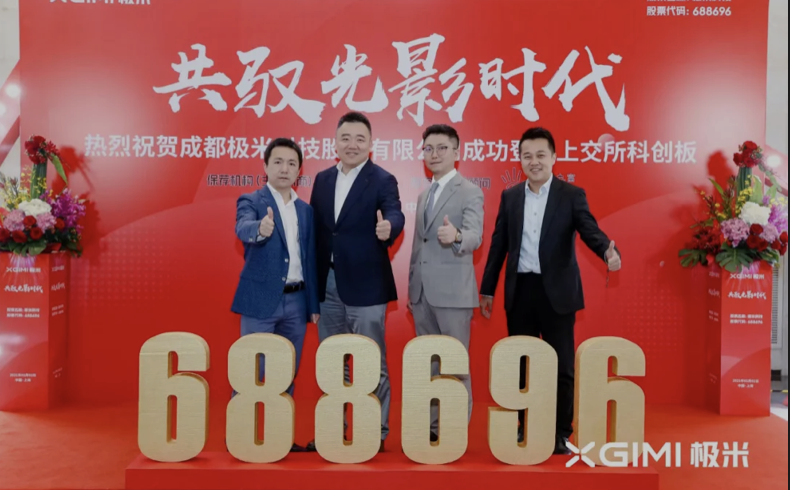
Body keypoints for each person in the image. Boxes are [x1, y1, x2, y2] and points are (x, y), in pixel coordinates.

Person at [479, 127, 622, 455]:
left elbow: (589, 230)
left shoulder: (571, 194)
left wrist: (607, 252)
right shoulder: (510, 196)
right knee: (522, 365)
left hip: (557, 293)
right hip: (520, 291)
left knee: (562, 367)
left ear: (554, 157)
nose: (534, 161)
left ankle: (560, 432)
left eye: (541, 155)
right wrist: (487, 289)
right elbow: (499, 245)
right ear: (520, 160)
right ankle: (524, 426)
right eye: (527, 156)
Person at [308, 111, 405, 452]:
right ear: (335, 142)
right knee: (332, 363)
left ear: (370, 144)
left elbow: (395, 211)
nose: (352, 145)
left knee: (370, 362)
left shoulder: (382, 179)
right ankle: (334, 429)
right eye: (346, 138)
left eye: (360, 139)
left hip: (367, 284)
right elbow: (317, 233)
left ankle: (374, 432)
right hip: (328, 285)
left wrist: (389, 227)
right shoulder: (322, 179)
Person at [231, 138, 320, 453]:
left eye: (292, 163)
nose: (285, 168)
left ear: (299, 170)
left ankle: (278, 439)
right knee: (251, 371)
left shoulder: (305, 210)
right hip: (259, 300)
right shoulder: (252, 200)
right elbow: (242, 227)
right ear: (265, 166)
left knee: (284, 373)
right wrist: (260, 229)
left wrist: (313, 304)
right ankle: (241, 438)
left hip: (297, 301)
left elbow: (309, 258)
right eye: (278, 162)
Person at [407, 124, 484, 442]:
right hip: (422, 294)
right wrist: (412, 288)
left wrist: (457, 236)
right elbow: (418, 245)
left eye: (442, 148)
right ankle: (431, 429)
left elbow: (475, 235)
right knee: (429, 366)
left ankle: (453, 432)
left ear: (457, 152)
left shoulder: (470, 191)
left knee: (455, 365)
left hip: (453, 295)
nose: (434, 154)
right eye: (428, 148)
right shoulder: (424, 194)